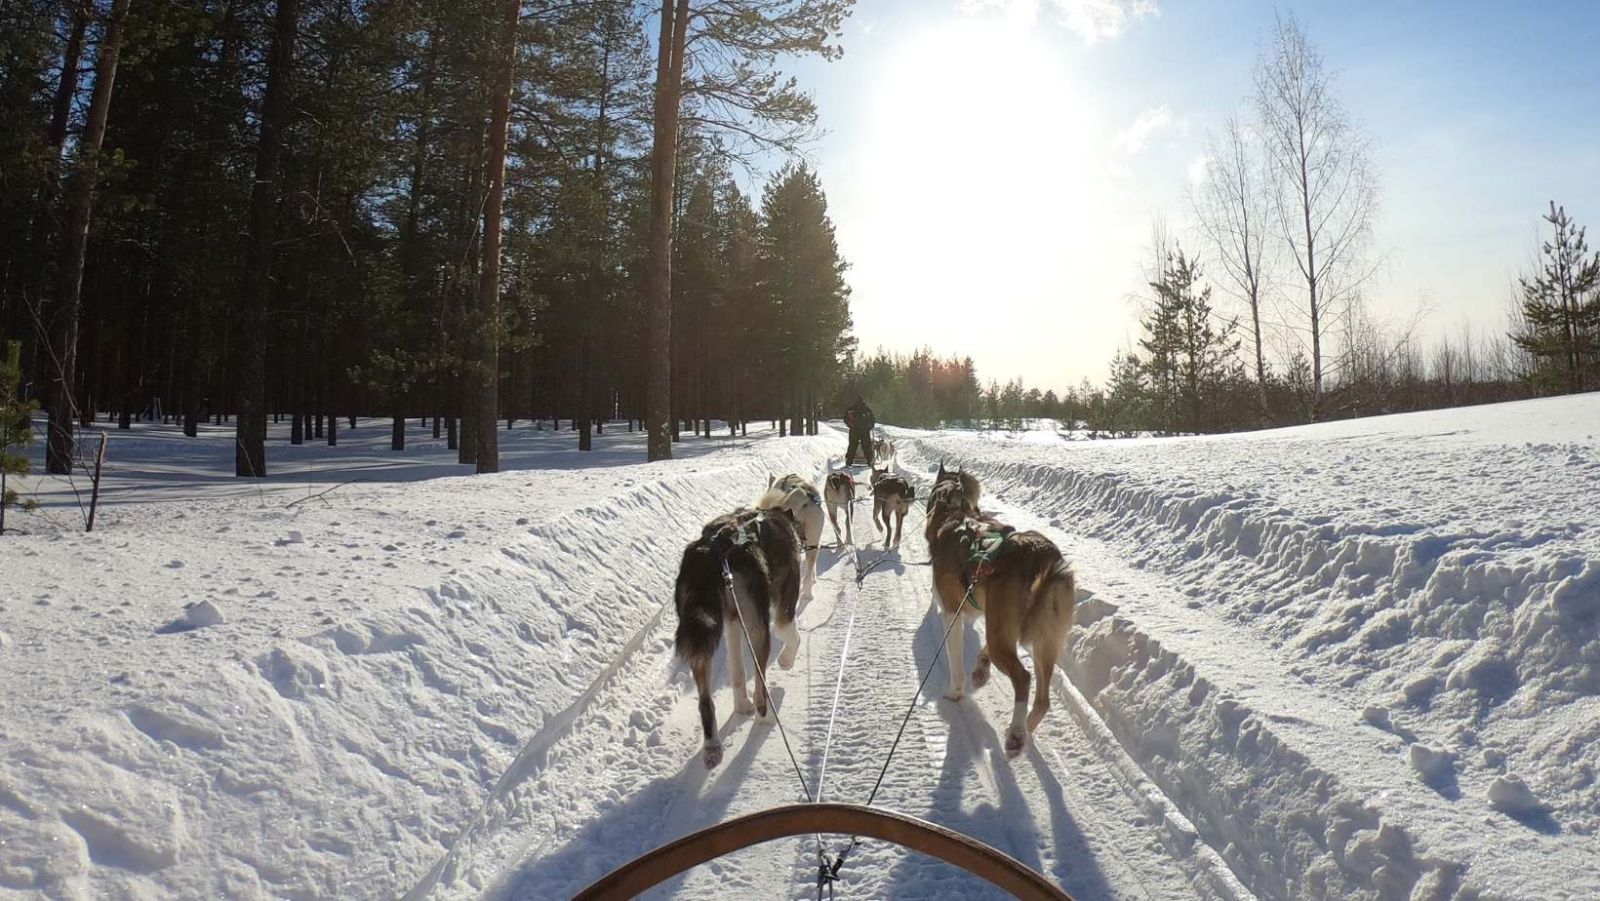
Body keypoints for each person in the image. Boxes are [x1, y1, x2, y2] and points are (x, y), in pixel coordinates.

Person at [843, 395, 876, 466]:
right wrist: (870, 426)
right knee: (866, 446)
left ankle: (849, 461)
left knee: (852, 445)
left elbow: (845, 419)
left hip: (854, 430)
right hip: (864, 430)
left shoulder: (851, 410)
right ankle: (869, 460)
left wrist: (850, 425)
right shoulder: (866, 410)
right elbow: (872, 419)